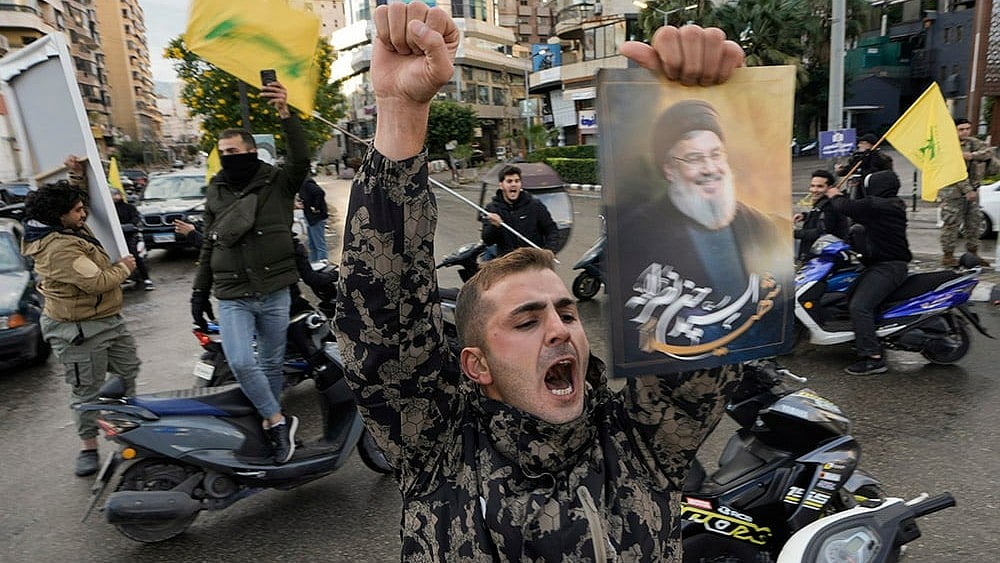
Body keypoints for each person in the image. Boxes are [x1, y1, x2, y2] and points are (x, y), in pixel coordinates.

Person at [331, 3, 746, 560]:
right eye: (527, 319)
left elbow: (704, 316)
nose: (560, 329)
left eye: (567, 312)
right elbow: (383, 317)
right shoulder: (437, 448)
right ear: (475, 364)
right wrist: (400, 110)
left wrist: (689, 106)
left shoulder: (642, 443)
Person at [614, 98, 792, 369]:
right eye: (694, 158)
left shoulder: (761, 226)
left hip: (749, 367)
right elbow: (633, 327)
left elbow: (780, 304)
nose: (710, 168)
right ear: (669, 169)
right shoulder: (635, 234)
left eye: (716, 154)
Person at [189, 80, 309, 464]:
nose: (228, 157)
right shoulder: (216, 190)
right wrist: (197, 292)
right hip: (232, 294)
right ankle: (276, 420)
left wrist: (285, 113)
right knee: (241, 361)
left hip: (274, 290)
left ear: (252, 151)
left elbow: (301, 158)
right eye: (222, 152)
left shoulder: (277, 181)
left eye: (234, 151)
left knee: (273, 363)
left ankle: (270, 429)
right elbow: (209, 242)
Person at [21, 157, 140, 477]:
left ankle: (127, 430)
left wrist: (76, 174)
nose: (83, 213)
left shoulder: (65, 224)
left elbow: (76, 200)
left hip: (108, 319)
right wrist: (125, 267)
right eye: (76, 211)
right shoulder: (58, 248)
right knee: (86, 389)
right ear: (59, 217)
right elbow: (97, 282)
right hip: (78, 329)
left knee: (128, 371)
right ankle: (89, 447)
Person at [825, 170, 912, 375]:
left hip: (888, 267)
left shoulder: (878, 205)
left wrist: (835, 195)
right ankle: (869, 336)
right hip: (881, 265)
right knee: (850, 294)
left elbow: (846, 207)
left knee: (860, 306)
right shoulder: (890, 204)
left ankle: (874, 357)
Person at [939, 118, 993, 267]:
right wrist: (967, 190)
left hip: (973, 191)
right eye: (961, 129)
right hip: (953, 192)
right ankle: (948, 256)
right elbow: (954, 173)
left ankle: (973, 255)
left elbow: (988, 153)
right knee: (951, 225)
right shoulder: (948, 146)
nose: (965, 132)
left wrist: (971, 156)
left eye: (967, 128)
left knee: (974, 223)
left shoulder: (973, 143)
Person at [481, 164, 558, 256]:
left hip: (533, 260)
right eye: (509, 181)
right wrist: (494, 226)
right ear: (501, 185)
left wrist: (549, 251)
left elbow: (551, 230)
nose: (513, 184)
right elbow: (487, 240)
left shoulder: (535, 205)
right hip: (507, 262)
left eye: (517, 181)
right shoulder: (492, 209)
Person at [794, 169, 850, 262]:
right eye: (812, 186)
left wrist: (794, 233)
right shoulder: (824, 201)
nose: (814, 190)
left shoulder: (830, 205)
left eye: (820, 186)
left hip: (822, 258)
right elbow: (821, 216)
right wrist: (805, 216)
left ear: (830, 188)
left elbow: (821, 233)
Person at [110, 188, 154, 290]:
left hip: (129, 236)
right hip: (114, 237)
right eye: (113, 195)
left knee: (134, 255)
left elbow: (136, 219)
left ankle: (146, 278)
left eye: (117, 194)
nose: (115, 197)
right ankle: (122, 277)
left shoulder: (128, 207)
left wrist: (129, 226)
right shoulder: (110, 210)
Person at [836, 133, 893, 198]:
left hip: (874, 191)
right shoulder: (859, 157)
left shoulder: (882, 158)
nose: (859, 145)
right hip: (858, 190)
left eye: (862, 143)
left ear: (869, 144)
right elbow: (851, 169)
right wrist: (840, 171)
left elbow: (885, 174)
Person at [298, 175, 329, 262]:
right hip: (310, 218)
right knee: (312, 245)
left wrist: (316, 207)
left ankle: (323, 266)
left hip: (316, 218)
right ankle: (315, 265)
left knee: (319, 245)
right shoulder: (302, 183)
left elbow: (320, 192)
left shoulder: (307, 183)